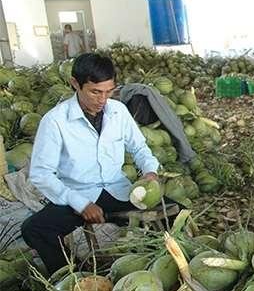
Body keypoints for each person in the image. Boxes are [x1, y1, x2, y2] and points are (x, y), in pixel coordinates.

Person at [22, 53, 160, 273]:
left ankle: (153, 267)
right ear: (75, 84)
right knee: (34, 229)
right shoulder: (55, 121)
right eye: (95, 92)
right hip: (77, 194)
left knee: (174, 211)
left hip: (118, 190)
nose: (102, 100)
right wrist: (80, 203)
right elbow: (41, 173)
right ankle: (72, 276)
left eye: (109, 91)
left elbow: (140, 147)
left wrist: (150, 171)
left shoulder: (119, 111)